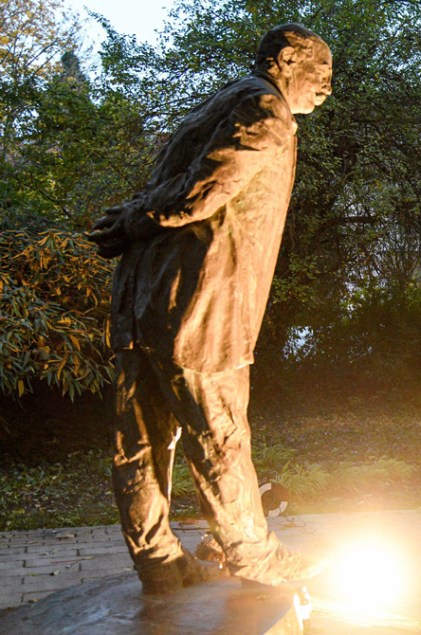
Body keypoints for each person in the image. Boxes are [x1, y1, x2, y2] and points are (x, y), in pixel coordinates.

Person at [86, 24, 332, 593]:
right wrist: (135, 219)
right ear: (287, 60)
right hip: (200, 304)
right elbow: (203, 189)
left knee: (141, 441)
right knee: (219, 434)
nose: (325, 89)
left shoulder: (220, 102)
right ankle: (252, 554)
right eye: (321, 73)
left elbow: (174, 185)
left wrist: (132, 216)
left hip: (147, 300)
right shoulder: (265, 108)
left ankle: (159, 561)